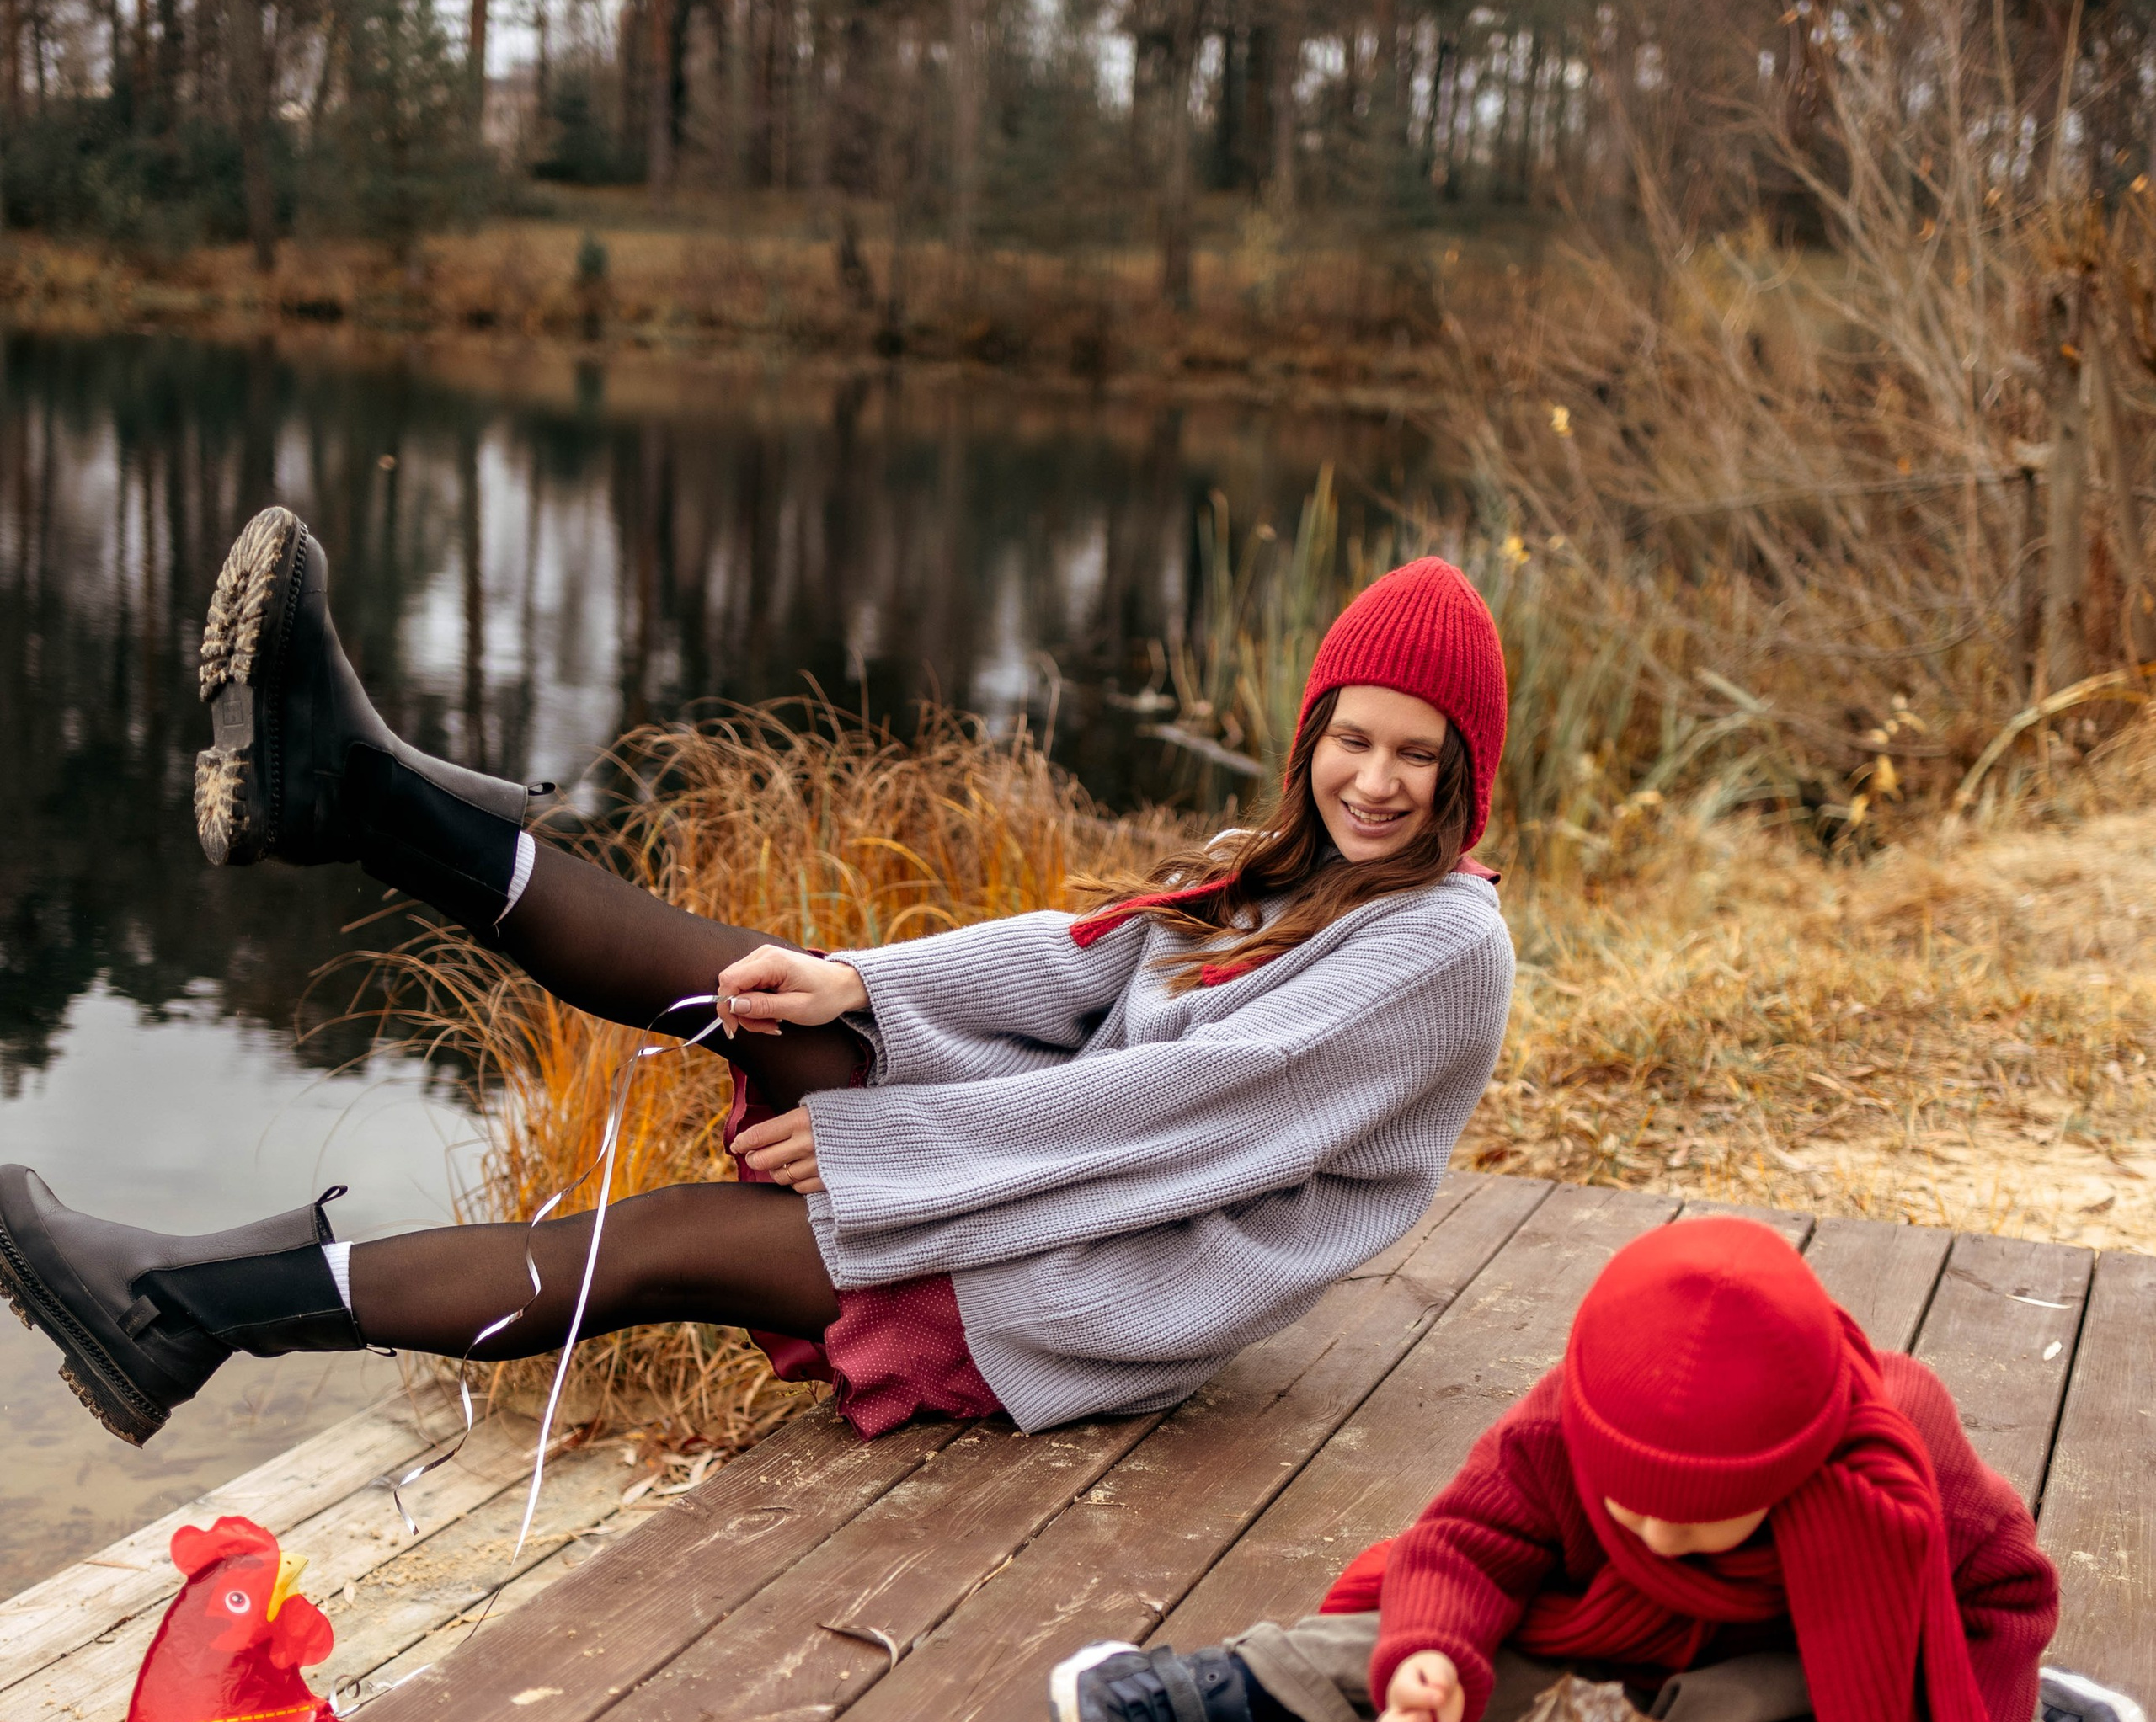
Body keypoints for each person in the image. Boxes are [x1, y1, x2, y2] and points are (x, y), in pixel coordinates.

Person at [0, 509, 1516, 1453]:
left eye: (1415, 755)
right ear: (1312, 729)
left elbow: (1189, 1111)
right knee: (751, 983)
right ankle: (351, 804)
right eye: (1350, 737)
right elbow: (1081, 962)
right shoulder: (1292, 873)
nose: (1373, 780)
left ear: (1464, 777)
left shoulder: (1443, 943)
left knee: (665, 1245)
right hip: (1041, 1180)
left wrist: (880, 1147)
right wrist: (854, 986)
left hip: (1077, 1287)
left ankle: (180, 1306)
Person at [1047, 1215, 2153, 1722]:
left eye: (1708, 1515)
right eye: (1635, 1507)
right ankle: (1203, 1696)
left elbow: (2005, 1592)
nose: (1664, 1537)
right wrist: (1435, 1657)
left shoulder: (1900, 1453)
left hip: (1783, 1665)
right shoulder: (1562, 1424)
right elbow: (1469, 1544)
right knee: (1393, 1659)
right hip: (1572, 1639)